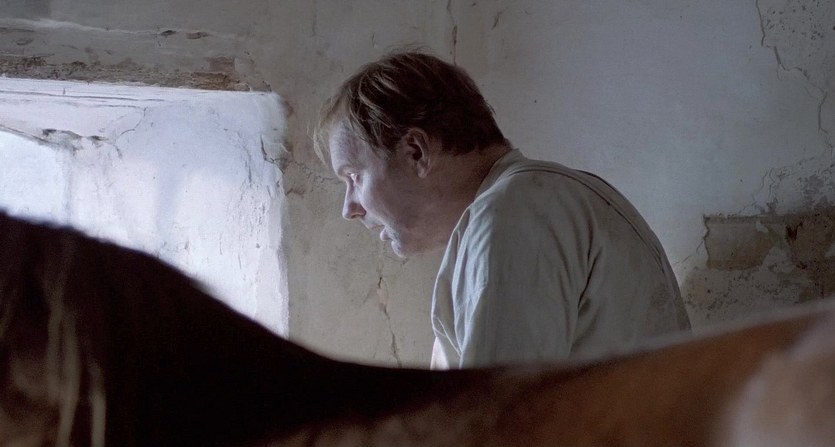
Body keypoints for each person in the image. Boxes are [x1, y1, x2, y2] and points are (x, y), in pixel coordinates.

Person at [314, 50, 691, 369]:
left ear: (416, 152)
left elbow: (499, 414)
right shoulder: (531, 200)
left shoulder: (514, 214)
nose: (350, 208)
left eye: (354, 176)